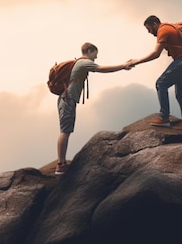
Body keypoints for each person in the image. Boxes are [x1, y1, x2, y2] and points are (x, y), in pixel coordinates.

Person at [56, 42, 133, 175]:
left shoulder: (79, 63)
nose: (95, 58)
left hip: (67, 99)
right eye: (95, 54)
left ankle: (61, 162)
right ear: (90, 51)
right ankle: (60, 164)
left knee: (66, 130)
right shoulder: (83, 63)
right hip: (67, 99)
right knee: (65, 131)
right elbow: (102, 69)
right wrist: (123, 66)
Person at [127, 15, 182, 135]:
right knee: (180, 93)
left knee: (161, 83)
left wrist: (136, 61)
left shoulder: (163, 30)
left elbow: (156, 53)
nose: (149, 32)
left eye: (149, 29)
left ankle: (164, 117)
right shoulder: (170, 28)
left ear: (154, 24)